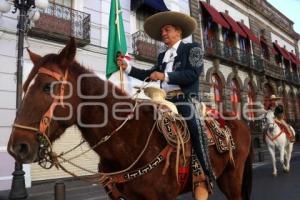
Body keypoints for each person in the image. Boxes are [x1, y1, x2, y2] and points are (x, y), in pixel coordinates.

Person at [117, 11, 213, 199]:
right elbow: (147, 73)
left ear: (178, 31)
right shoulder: (163, 57)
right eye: (162, 31)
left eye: (167, 30)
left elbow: (193, 74)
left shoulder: (193, 49)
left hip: (186, 99)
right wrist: (126, 67)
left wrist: (165, 76)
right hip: (163, 100)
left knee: (194, 125)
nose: (163, 34)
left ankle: (206, 173)